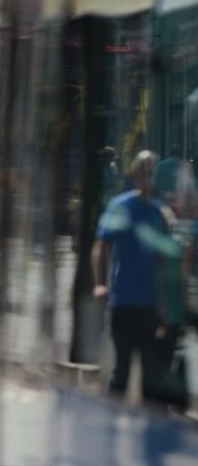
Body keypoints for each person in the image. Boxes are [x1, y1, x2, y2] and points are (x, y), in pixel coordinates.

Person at [91, 150, 185, 408]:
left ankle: (148, 437)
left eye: (151, 171)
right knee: (121, 372)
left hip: (151, 307)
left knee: (150, 377)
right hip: (123, 303)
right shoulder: (120, 206)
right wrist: (100, 283)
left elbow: (166, 263)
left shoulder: (160, 213)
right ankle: (110, 427)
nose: (147, 176)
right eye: (142, 171)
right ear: (134, 174)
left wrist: (167, 309)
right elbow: (100, 247)